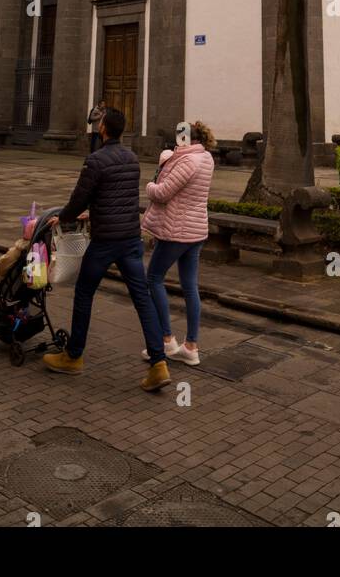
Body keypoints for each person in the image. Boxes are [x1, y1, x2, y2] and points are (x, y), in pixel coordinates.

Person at [43, 107, 170, 392]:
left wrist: (64, 216)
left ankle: (73, 357)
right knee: (142, 298)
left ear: (102, 130)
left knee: (84, 293)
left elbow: (80, 199)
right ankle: (159, 363)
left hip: (104, 243)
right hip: (129, 239)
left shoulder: (95, 160)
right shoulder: (132, 158)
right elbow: (117, 197)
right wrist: (93, 213)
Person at [142, 119, 215, 366]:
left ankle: (166, 340)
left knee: (153, 278)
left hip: (177, 231)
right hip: (196, 232)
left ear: (185, 138)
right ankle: (191, 346)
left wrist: (149, 185)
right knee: (190, 287)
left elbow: (162, 193)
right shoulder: (206, 158)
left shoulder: (187, 161)